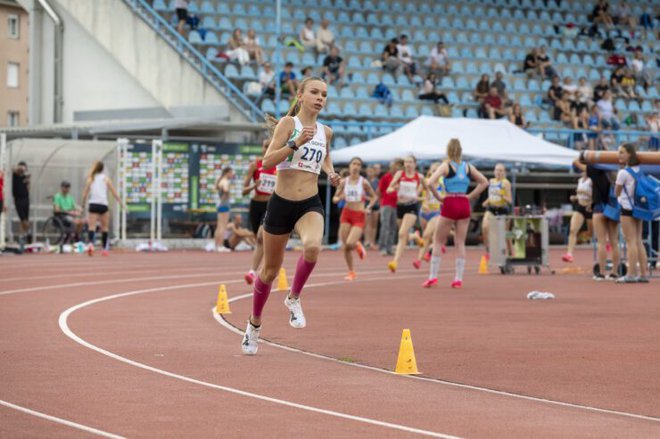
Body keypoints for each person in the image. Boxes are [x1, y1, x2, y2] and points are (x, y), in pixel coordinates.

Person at [241, 76, 341, 355]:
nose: (320, 98)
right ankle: (254, 324)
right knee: (270, 271)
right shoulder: (289, 125)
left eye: (324, 94)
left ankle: (293, 297)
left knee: (312, 248)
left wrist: (331, 172)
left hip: (310, 202)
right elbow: (268, 161)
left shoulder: (326, 131)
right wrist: (294, 144)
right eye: (314, 92)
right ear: (300, 95)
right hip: (281, 204)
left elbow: (325, 157)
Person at [423, 139, 488, 288]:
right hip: (463, 203)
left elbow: (430, 182)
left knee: (438, 241)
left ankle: (433, 277)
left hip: (450, 202)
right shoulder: (467, 167)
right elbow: (484, 182)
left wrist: (439, 197)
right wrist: (470, 196)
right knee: (460, 243)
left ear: (448, 151)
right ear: (460, 151)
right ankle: (458, 279)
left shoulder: (446, 166)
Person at [573, 158, 621, 281]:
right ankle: (615, 272)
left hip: (599, 207)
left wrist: (588, 156)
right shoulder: (616, 171)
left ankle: (601, 272)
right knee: (614, 242)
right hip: (613, 207)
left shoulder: (595, 170)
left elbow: (576, 161)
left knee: (601, 242)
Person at [332, 157, 378, 280]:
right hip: (346, 214)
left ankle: (357, 245)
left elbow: (374, 197)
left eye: (358, 164)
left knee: (350, 243)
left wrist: (368, 207)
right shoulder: (344, 182)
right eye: (354, 164)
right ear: (349, 166)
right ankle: (351, 271)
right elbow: (334, 199)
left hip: (359, 214)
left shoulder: (363, 182)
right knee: (345, 246)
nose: (356, 166)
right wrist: (340, 197)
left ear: (360, 168)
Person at [386, 155, 429, 273]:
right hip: (400, 206)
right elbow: (390, 187)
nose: (408, 164)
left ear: (415, 164)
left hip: (412, 206)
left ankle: (395, 262)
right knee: (403, 236)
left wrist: (425, 201)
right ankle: (415, 236)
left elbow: (427, 189)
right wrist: (392, 189)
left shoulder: (419, 177)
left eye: (410, 162)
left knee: (401, 234)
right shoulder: (400, 174)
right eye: (406, 162)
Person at [243, 139, 277, 285]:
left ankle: (252, 271)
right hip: (255, 204)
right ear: (262, 148)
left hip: (270, 205)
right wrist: (253, 186)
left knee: (260, 238)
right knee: (259, 239)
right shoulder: (255, 165)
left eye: (270, 146)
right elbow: (243, 191)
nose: (267, 148)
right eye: (265, 146)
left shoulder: (278, 166)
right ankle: (266, 267)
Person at [615, 143, 649, 283]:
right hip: (639, 208)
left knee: (630, 242)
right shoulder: (639, 170)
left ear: (629, 154)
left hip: (627, 208)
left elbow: (616, 192)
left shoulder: (623, 172)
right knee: (638, 241)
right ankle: (642, 274)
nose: (619, 155)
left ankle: (630, 274)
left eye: (622, 152)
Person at [81, 161, 123, 256]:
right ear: (103, 169)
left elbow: (84, 194)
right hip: (103, 204)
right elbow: (114, 192)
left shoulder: (90, 179)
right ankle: (104, 249)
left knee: (92, 227)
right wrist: (121, 203)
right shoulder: (106, 179)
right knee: (105, 228)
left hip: (93, 204)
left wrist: (83, 205)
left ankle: (91, 244)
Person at [413, 162, 446, 270]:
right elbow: (416, 196)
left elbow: (446, 200)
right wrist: (424, 201)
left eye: (437, 170)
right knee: (426, 238)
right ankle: (432, 249)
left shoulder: (443, 185)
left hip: (436, 213)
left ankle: (418, 260)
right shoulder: (426, 183)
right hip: (423, 213)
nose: (435, 173)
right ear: (429, 172)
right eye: (433, 170)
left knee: (427, 235)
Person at [481, 163, 512, 259]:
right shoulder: (491, 181)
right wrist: (486, 202)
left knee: (505, 234)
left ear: (504, 172)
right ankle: (488, 250)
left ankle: (510, 251)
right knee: (485, 226)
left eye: (500, 170)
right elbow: (491, 196)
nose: (498, 172)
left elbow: (510, 200)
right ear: (494, 171)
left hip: (502, 209)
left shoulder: (505, 183)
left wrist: (502, 195)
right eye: (497, 170)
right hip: (491, 209)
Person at [562, 169, 593, 262]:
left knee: (592, 233)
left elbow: (596, 195)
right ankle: (569, 253)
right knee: (572, 230)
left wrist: (585, 193)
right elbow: (578, 194)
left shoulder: (592, 180)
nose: (583, 172)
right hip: (580, 206)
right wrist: (574, 197)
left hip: (590, 207)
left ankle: (606, 247)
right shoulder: (580, 180)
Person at [377, 159, 403, 256]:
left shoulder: (399, 178)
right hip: (386, 204)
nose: (396, 168)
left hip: (395, 204)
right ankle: (383, 247)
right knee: (385, 226)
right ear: (390, 167)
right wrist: (382, 201)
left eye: (397, 167)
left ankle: (389, 247)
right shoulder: (386, 177)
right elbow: (379, 191)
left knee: (392, 226)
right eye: (394, 166)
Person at [214, 167, 234, 252]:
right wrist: (227, 195)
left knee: (219, 226)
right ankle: (220, 245)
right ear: (227, 173)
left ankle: (216, 245)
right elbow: (225, 190)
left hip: (220, 204)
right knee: (223, 226)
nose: (232, 175)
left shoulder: (220, 180)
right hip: (224, 205)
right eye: (231, 173)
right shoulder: (225, 181)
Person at [363, 164, 381, 249]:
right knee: (367, 224)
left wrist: (375, 199)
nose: (369, 173)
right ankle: (367, 241)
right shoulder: (364, 181)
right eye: (368, 171)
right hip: (367, 204)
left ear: (374, 172)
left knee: (374, 224)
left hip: (376, 204)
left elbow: (378, 194)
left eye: (371, 171)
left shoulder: (377, 181)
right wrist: (369, 198)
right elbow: (362, 193)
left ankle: (372, 242)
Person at [12, 161, 30, 243]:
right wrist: (21, 168)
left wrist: (28, 180)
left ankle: (23, 235)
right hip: (18, 199)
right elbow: (14, 168)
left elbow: (28, 189)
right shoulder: (15, 175)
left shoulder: (24, 177)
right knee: (23, 219)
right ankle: (26, 234)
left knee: (25, 218)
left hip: (25, 199)